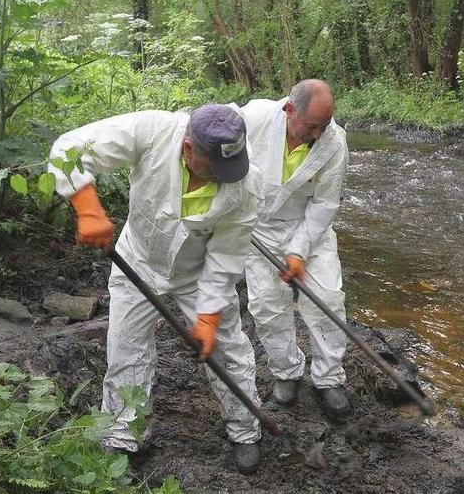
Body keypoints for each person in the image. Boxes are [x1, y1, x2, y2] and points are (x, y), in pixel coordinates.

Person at [47, 104, 264, 474]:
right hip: (140, 258)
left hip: (198, 272)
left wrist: (208, 318)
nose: (223, 178)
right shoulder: (151, 131)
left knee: (228, 350)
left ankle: (245, 429)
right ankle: (123, 435)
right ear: (188, 148)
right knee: (125, 349)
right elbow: (68, 149)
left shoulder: (246, 184)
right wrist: (87, 208)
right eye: (214, 169)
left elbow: (226, 257)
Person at [240, 79, 351, 417]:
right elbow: (214, 140)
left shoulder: (335, 143)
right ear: (290, 110)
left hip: (308, 229)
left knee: (328, 298)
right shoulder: (254, 118)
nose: (319, 134)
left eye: (325, 125)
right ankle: (286, 371)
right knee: (267, 306)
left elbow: (324, 204)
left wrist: (299, 251)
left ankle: (329, 378)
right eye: (313, 126)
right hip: (258, 230)